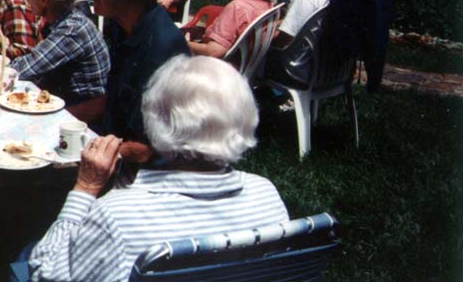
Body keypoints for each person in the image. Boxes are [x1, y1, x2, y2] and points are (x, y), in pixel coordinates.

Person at [28, 55, 289, 282]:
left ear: (156, 121)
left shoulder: (116, 215)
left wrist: (85, 188)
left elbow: (46, 274)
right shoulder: (266, 195)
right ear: (245, 117)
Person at [76, 0, 189, 164]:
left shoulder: (159, 49)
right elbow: (113, 100)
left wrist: (76, 155)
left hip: (146, 171)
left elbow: (145, 149)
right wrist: (57, 118)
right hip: (115, 144)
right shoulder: (125, 25)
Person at [10, 0, 110, 108]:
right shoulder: (70, 20)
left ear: (44, 1)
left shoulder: (71, 31)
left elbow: (25, 69)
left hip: (81, 110)